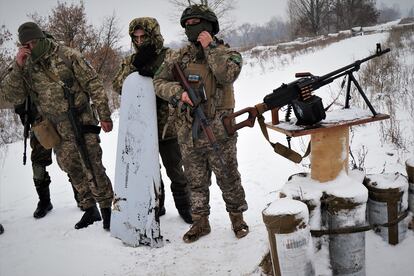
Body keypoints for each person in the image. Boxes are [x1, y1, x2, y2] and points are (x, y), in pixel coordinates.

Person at [0, 22, 113, 230]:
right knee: (71, 167)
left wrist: (104, 115)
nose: (30, 48)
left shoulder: (66, 55)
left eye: (33, 43)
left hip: (80, 120)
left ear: (41, 39)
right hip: (55, 126)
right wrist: (18, 65)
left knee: (93, 165)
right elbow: (8, 95)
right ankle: (90, 209)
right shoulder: (25, 65)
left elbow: (93, 84)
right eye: (25, 45)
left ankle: (107, 211)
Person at [153, 4, 249, 243]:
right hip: (188, 133)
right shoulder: (179, 57)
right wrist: (178, 94)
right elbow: (158, 82)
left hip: (219, 131)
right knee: (195, 181)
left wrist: (210, 48)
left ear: (209, 26)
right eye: (187, 24)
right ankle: (200, 223)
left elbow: (226, 75)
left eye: (196, 23)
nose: (190, 28)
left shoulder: (228, 54)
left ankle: (237, 219)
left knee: (228, 176)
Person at [112, 17, 192, 224]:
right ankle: (157, 205)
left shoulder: (169, 56)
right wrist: (134, 70)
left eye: (143, 36)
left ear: (153, 35)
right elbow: (118, 86)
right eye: (135, 37)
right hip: (143, 126)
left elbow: (181, 81)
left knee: (175, 169)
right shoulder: (130, 61)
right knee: (149, 171)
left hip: (168, 125)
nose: (139, 41)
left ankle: (186, 206)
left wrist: (154, 75)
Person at [14, 99, 81, 218]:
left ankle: (81, 195)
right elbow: (17, 95)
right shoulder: (26, 80)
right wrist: (22, 111)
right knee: (38, 164)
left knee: (70, 159)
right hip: (39, 122)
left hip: (60, 117)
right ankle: (44, 201)